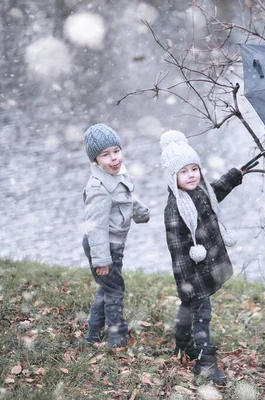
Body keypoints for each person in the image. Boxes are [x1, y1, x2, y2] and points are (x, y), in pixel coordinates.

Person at [159, 130, 244, 385]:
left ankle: (183, 343)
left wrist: (234, 176)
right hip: (192, 273)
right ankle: (205, 363)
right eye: (184, 172)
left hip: (204, 266)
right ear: (173, 178)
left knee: (189, 307)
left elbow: (214, 192)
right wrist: (189, 285)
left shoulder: (199, 191)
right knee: (201, 312)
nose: (192, 175)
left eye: (194, 168)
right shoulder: (175, 208)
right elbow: (176, 249)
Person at [82, 123, 150, 349]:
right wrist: (102, 260)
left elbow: (126, 196)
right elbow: (95, 226)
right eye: (105, 155)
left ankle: (93, 333)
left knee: (107, 288)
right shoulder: (99, 188)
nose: (114, 158)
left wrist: (141, 213)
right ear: (95, 161)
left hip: (113, 245)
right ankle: (117, 337)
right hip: (103, 246)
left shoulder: (117, 174)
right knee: (114, 290)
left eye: (116, 151)